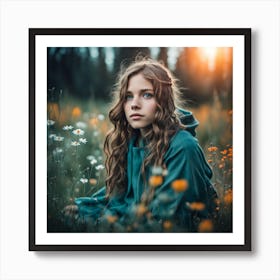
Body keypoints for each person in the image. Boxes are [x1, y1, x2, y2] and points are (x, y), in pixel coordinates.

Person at [65, 57, 218, 233]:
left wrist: (104, 223)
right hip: (141, 220)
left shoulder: (184, 147)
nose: (134, 105)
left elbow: (171, 219)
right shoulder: (134, 139)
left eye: (147, 95)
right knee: (74, 214)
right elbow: (121, 194)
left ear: (163, 99)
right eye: (129, 97)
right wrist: (86, 209)